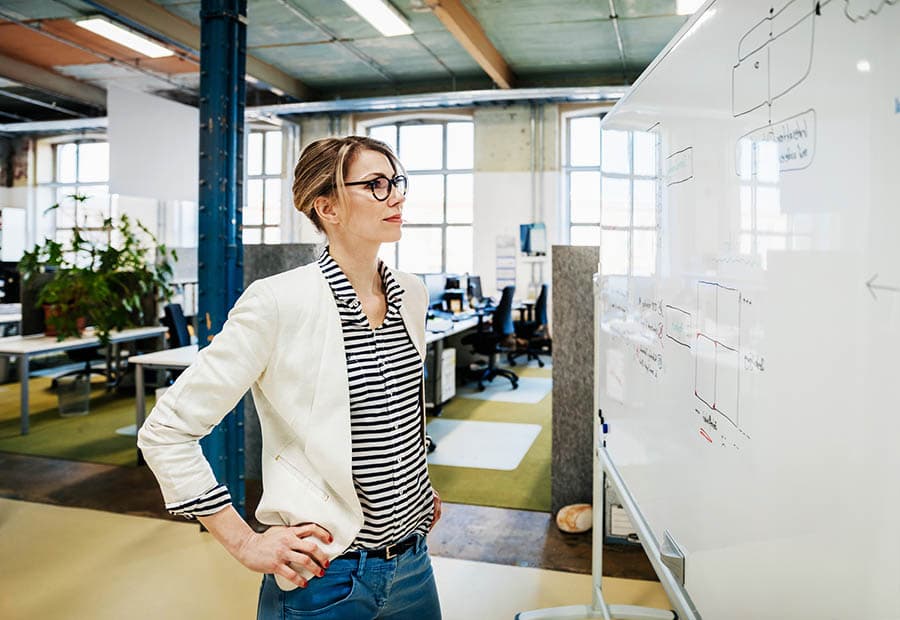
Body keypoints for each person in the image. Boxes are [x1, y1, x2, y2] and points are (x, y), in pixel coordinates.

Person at [138, 135, 443, 619]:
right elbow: (165, 432)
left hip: (413, 563)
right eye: (377, 185)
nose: (398, 196)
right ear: (328, 207)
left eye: (397, 182)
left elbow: (390, 412)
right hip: (326, 575)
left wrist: (413, 485)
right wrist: (242, 542)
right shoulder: (278, 301)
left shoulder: (411, 293)